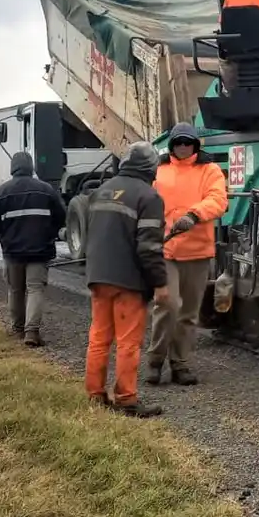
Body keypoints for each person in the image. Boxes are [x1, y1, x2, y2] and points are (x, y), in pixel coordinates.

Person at [83, 141, 171, 416]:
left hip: (99, 275)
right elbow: (149, 248)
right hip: (128, 281)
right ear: (151, 168)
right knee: (128, 342)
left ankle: (95, 395)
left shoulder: (100, 191)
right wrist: (160, 283)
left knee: (99, 338)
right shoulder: (148, 197)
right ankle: (126, 399)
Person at [146, 122, 229, 386]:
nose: (183, 147)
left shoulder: (210, 170)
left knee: (189, 313)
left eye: (188, 143)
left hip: (197, 252)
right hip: (166, 249)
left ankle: (180, 363)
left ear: (195, 145)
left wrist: (194, 214)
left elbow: (218, 200)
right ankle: (155, 360)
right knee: (167, 304)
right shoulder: (157, 170)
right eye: (179, 142)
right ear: (171, 145)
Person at [0, 150, 67, 346]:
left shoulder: (0, 193)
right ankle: (32, 332)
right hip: (40, 251)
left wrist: (7, 236)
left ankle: (17, 329)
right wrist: (49, 233)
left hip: (12, 252)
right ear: (31, 168)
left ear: (13, 168)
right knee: (35, 289)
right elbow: (61, 217)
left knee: (15, 290)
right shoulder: (46, 190)